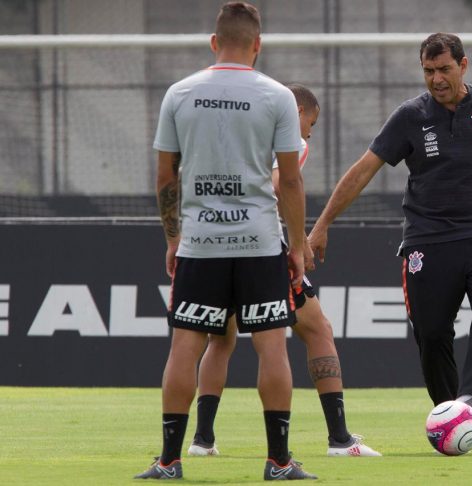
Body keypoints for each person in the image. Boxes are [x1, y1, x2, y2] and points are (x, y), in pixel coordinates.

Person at [308, 32, 472, 433]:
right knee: (433, 333)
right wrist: (321, 224)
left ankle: (470, 397)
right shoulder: (410, 116)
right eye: (428, 71)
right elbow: (363, 170)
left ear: (464, 65)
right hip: (427, 242)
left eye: (444, 69)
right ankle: (451, 415)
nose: (436, 79)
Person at [135, 2, 316, 481]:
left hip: (201, 242)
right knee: (271, 349)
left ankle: (169, 461)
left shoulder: (180, 93)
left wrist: (173, 237)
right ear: (257, 44)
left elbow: (164, 176)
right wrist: (296, 247)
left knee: (185, 349)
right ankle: (278, 462)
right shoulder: (277, 96)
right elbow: (292, 183)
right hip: (259, 242)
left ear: (214, 42)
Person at [187, 84, 381, 459]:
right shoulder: (289, 138)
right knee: (315, 330)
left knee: (220, 340)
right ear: (299, 111)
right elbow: (281, 185)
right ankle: (339, 439)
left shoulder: (237, 130)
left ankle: (202, 440)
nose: (309, 132)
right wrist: (298, 241)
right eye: (312, 121)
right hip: (261, 247)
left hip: (213, 238)